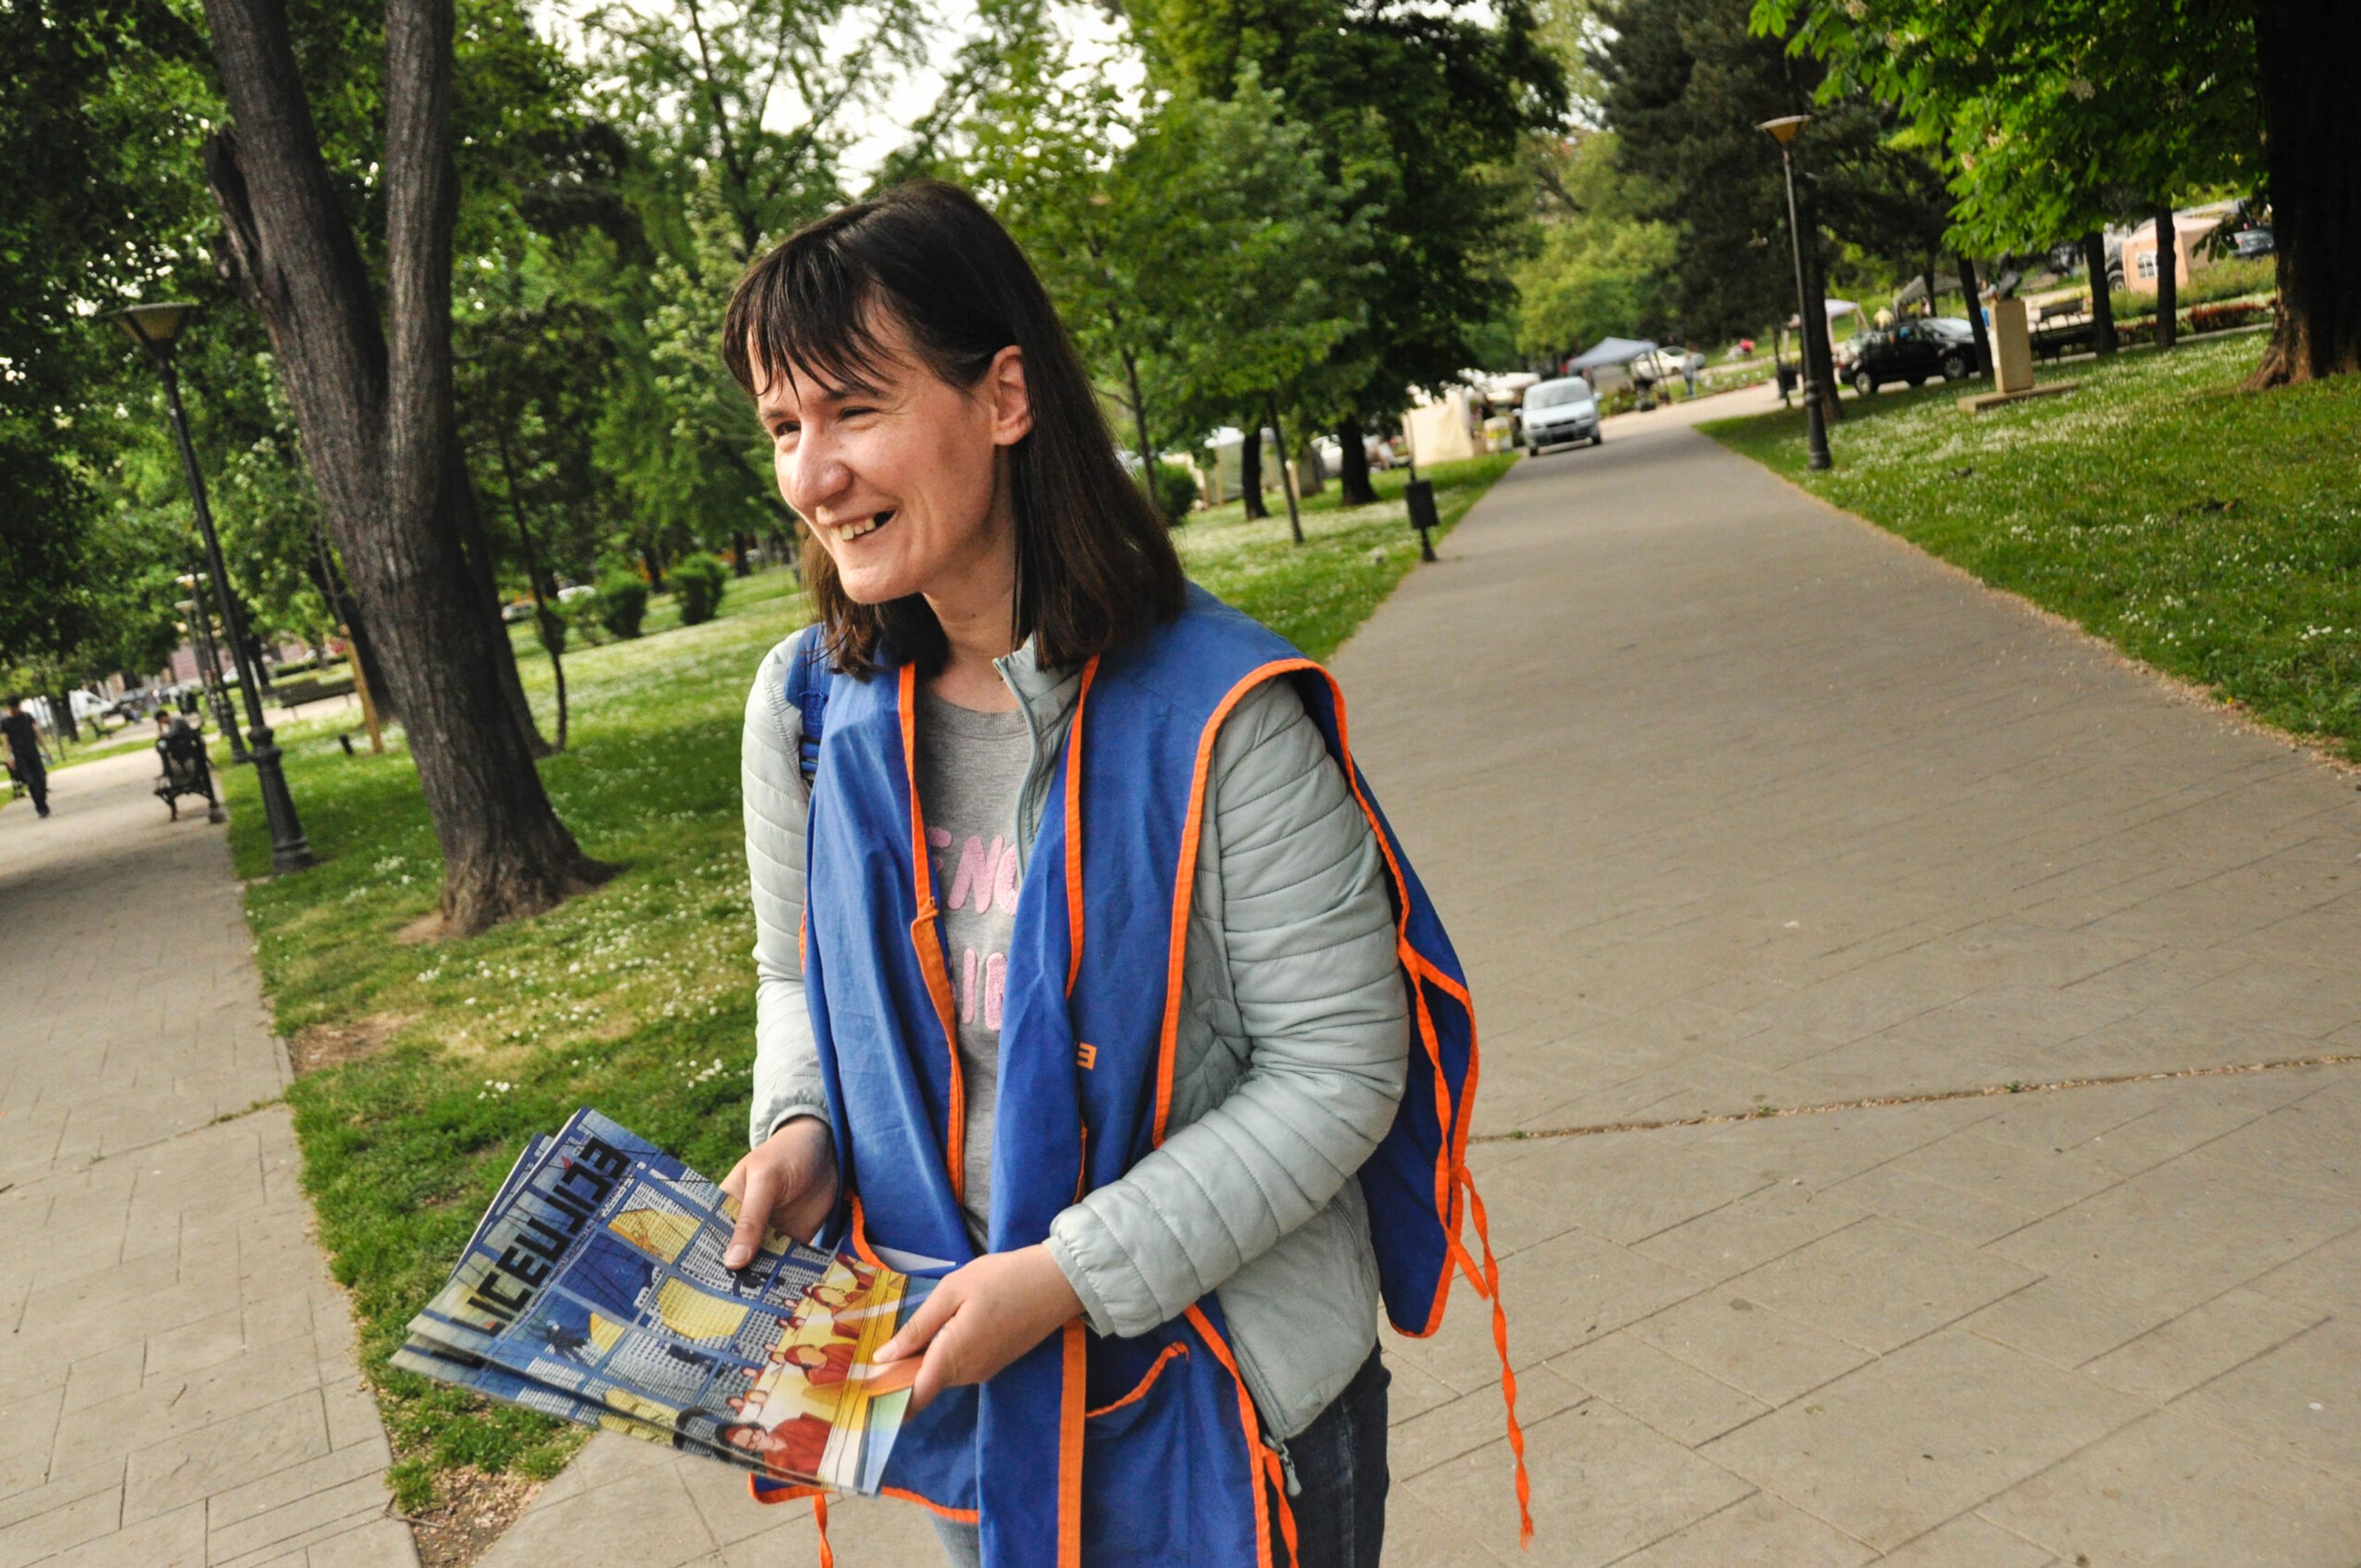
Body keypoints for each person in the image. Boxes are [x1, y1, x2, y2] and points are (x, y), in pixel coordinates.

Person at [716, 181, 1512, 1568]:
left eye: (854, 410)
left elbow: (1338, 1067)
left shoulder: (1220, 715)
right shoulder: (803, 711)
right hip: (964, 1386)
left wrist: (1066, 1277)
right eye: (785, 428)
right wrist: (800, 1126)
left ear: (1005, 397)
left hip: (1229, 1397)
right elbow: (795, 970)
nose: (811, 475)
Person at [2, 697, 49, 818]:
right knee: (31, 781)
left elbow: (37, 732)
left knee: (42, 778)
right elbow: (6, 741)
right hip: (20, 755)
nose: (16, 710)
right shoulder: (6, 722)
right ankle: (41, 808)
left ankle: (42, 799)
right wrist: (9, 758)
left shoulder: (27, 717)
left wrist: (45, 749)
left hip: (33, 751)